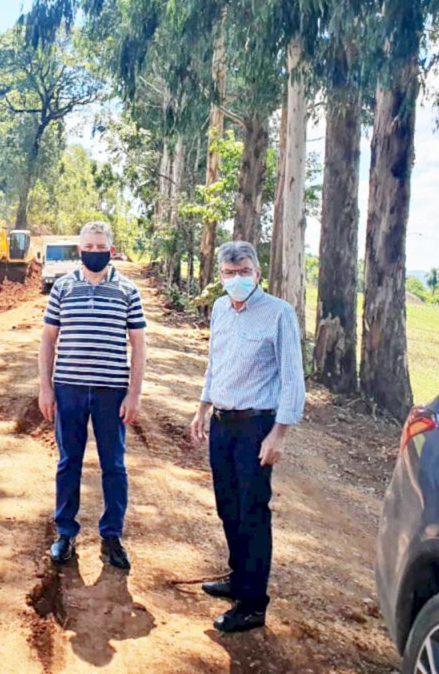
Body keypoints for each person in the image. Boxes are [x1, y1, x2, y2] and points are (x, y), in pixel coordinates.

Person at [190, 240, 305, 633]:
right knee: (228, 506)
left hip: (257, 426)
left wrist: (279, 435)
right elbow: (214, 362)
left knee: (253, 511)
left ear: (257, 274)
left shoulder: (279, 314)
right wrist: (203, 407)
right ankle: (238, 578)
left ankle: (253, 604)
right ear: (220, 276)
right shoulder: (221, 309)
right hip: (222, 422)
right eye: (229, 273)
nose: (236, 280)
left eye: (243, 273)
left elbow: (292, 377)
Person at [38, 221, 147, 571]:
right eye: (89, 247)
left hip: (111, 393)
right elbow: (47, 340)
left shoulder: (127, 291)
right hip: (68, 390)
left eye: (101, 248)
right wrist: (45, 387)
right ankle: (65, 533)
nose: (95, 253)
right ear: (80, 249)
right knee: (69, 462)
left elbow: (139, 346)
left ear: (111, 250)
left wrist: (134, 394)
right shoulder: (63, 288)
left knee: (113, 465)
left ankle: (112, 535)